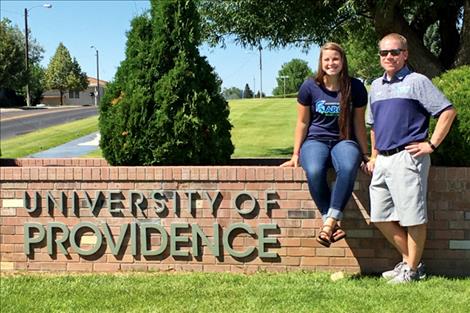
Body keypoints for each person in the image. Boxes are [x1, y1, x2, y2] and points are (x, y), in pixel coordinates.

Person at [366, 33, 457, 284]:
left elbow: (447, 111)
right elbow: (372, 125)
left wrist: (431, 144)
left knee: (413, 216)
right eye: (384, 53)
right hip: (382, 160)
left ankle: (412, 270)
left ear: (405, 54)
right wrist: (373, 156)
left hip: (408, 158)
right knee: (380, 216)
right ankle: (410, 263)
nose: (389, 57)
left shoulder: (417, 82)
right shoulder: (375, 86)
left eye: (394, 52)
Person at [281, 42, 369, 248]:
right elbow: (302, 122)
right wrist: (295, 154)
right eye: (327, 59)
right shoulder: (309, 86)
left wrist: (365, 153)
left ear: (343, 61)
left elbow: (358, 122)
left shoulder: (355, 87)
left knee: (348, 168)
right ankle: (332, 223)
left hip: (344, 141)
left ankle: (329, 223)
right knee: (314, 169)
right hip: (315, 140)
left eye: (335, 59)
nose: (331, 63)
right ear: (321, 62)